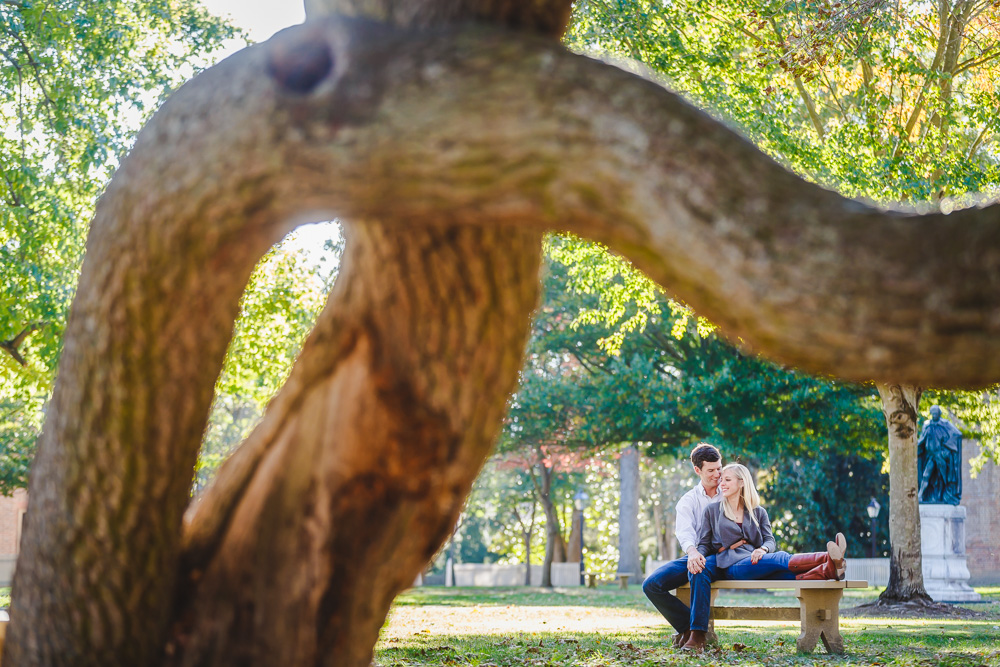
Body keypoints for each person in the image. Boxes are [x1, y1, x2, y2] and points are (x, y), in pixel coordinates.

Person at [681, 463, 846, 652]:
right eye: (722, 480)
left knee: (782, 571)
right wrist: (696, 555)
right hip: (731, 565)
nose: (722, 484)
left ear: (741, 482)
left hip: (755, 560)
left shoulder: (758, 512)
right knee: (779, 559)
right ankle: (827, 557)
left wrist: (763, 550)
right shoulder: (712, 511)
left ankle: (828, 569)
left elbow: (769, 540)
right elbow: (704, 543)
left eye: (727, 480)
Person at [642, 443, 722, 648]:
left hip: (725, 554)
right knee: (651, 585)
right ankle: (688, 626)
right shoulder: (688, 500)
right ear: (698, 470)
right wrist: (693, 552)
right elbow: (684, 533)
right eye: (711, 470)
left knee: (698, 569)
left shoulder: (729, 491)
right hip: (697, 553)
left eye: (719, 468)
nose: (717, 474)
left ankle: (698, 636)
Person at [917, 405, 963, 504]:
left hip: (940, 456)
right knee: (926, 475)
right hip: (930, 456)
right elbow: (922, 439)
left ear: (939, 414)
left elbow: (957, 434)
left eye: (936, 413)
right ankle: (920, 495)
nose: (934, 415)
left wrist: (946, 446)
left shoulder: (945, 424)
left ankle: (943, 496)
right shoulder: (927, 425)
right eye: (933, 413)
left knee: (943, 477)